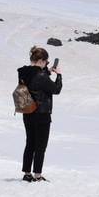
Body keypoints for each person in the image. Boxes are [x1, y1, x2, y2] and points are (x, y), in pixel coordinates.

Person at [16, 46, 63, 182]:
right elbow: (56, 89)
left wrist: (46, 72)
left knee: (30, 143)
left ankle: (27, 173)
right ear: (41, 61)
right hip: (42, 114)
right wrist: (58, 75)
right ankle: (38, 174)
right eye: (46, 62)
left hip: (28, 112)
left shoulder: (23, 72)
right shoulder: (41, 76)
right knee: (40, 145)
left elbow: (35, 83)